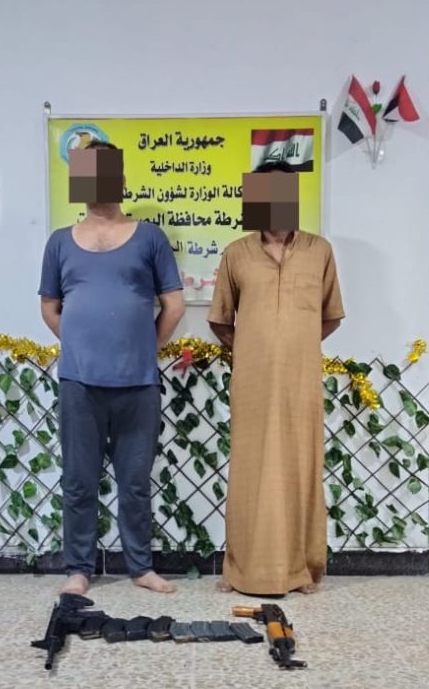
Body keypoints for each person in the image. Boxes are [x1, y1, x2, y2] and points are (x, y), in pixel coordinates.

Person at [39, 139, 185, 595]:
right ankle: (79, 569)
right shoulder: (59, 242)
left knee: (135, 483)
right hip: (79, 383)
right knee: (79, 481)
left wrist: (143, 347)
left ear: (120, 181)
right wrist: (82, 345)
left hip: (138, 383)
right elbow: (49, 308)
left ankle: (140, 567)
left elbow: (174, 306)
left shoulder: (151, 238)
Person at [208, 160, 345, 595]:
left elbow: (330, 315)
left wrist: (293, 348)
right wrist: (256, 349)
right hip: (252, 382)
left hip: (301, 382)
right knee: (249, 470)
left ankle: (299, 569)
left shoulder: (319, 251)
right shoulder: (237, 253)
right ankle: (239, 570)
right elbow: (220, 320)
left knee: (300, 467)